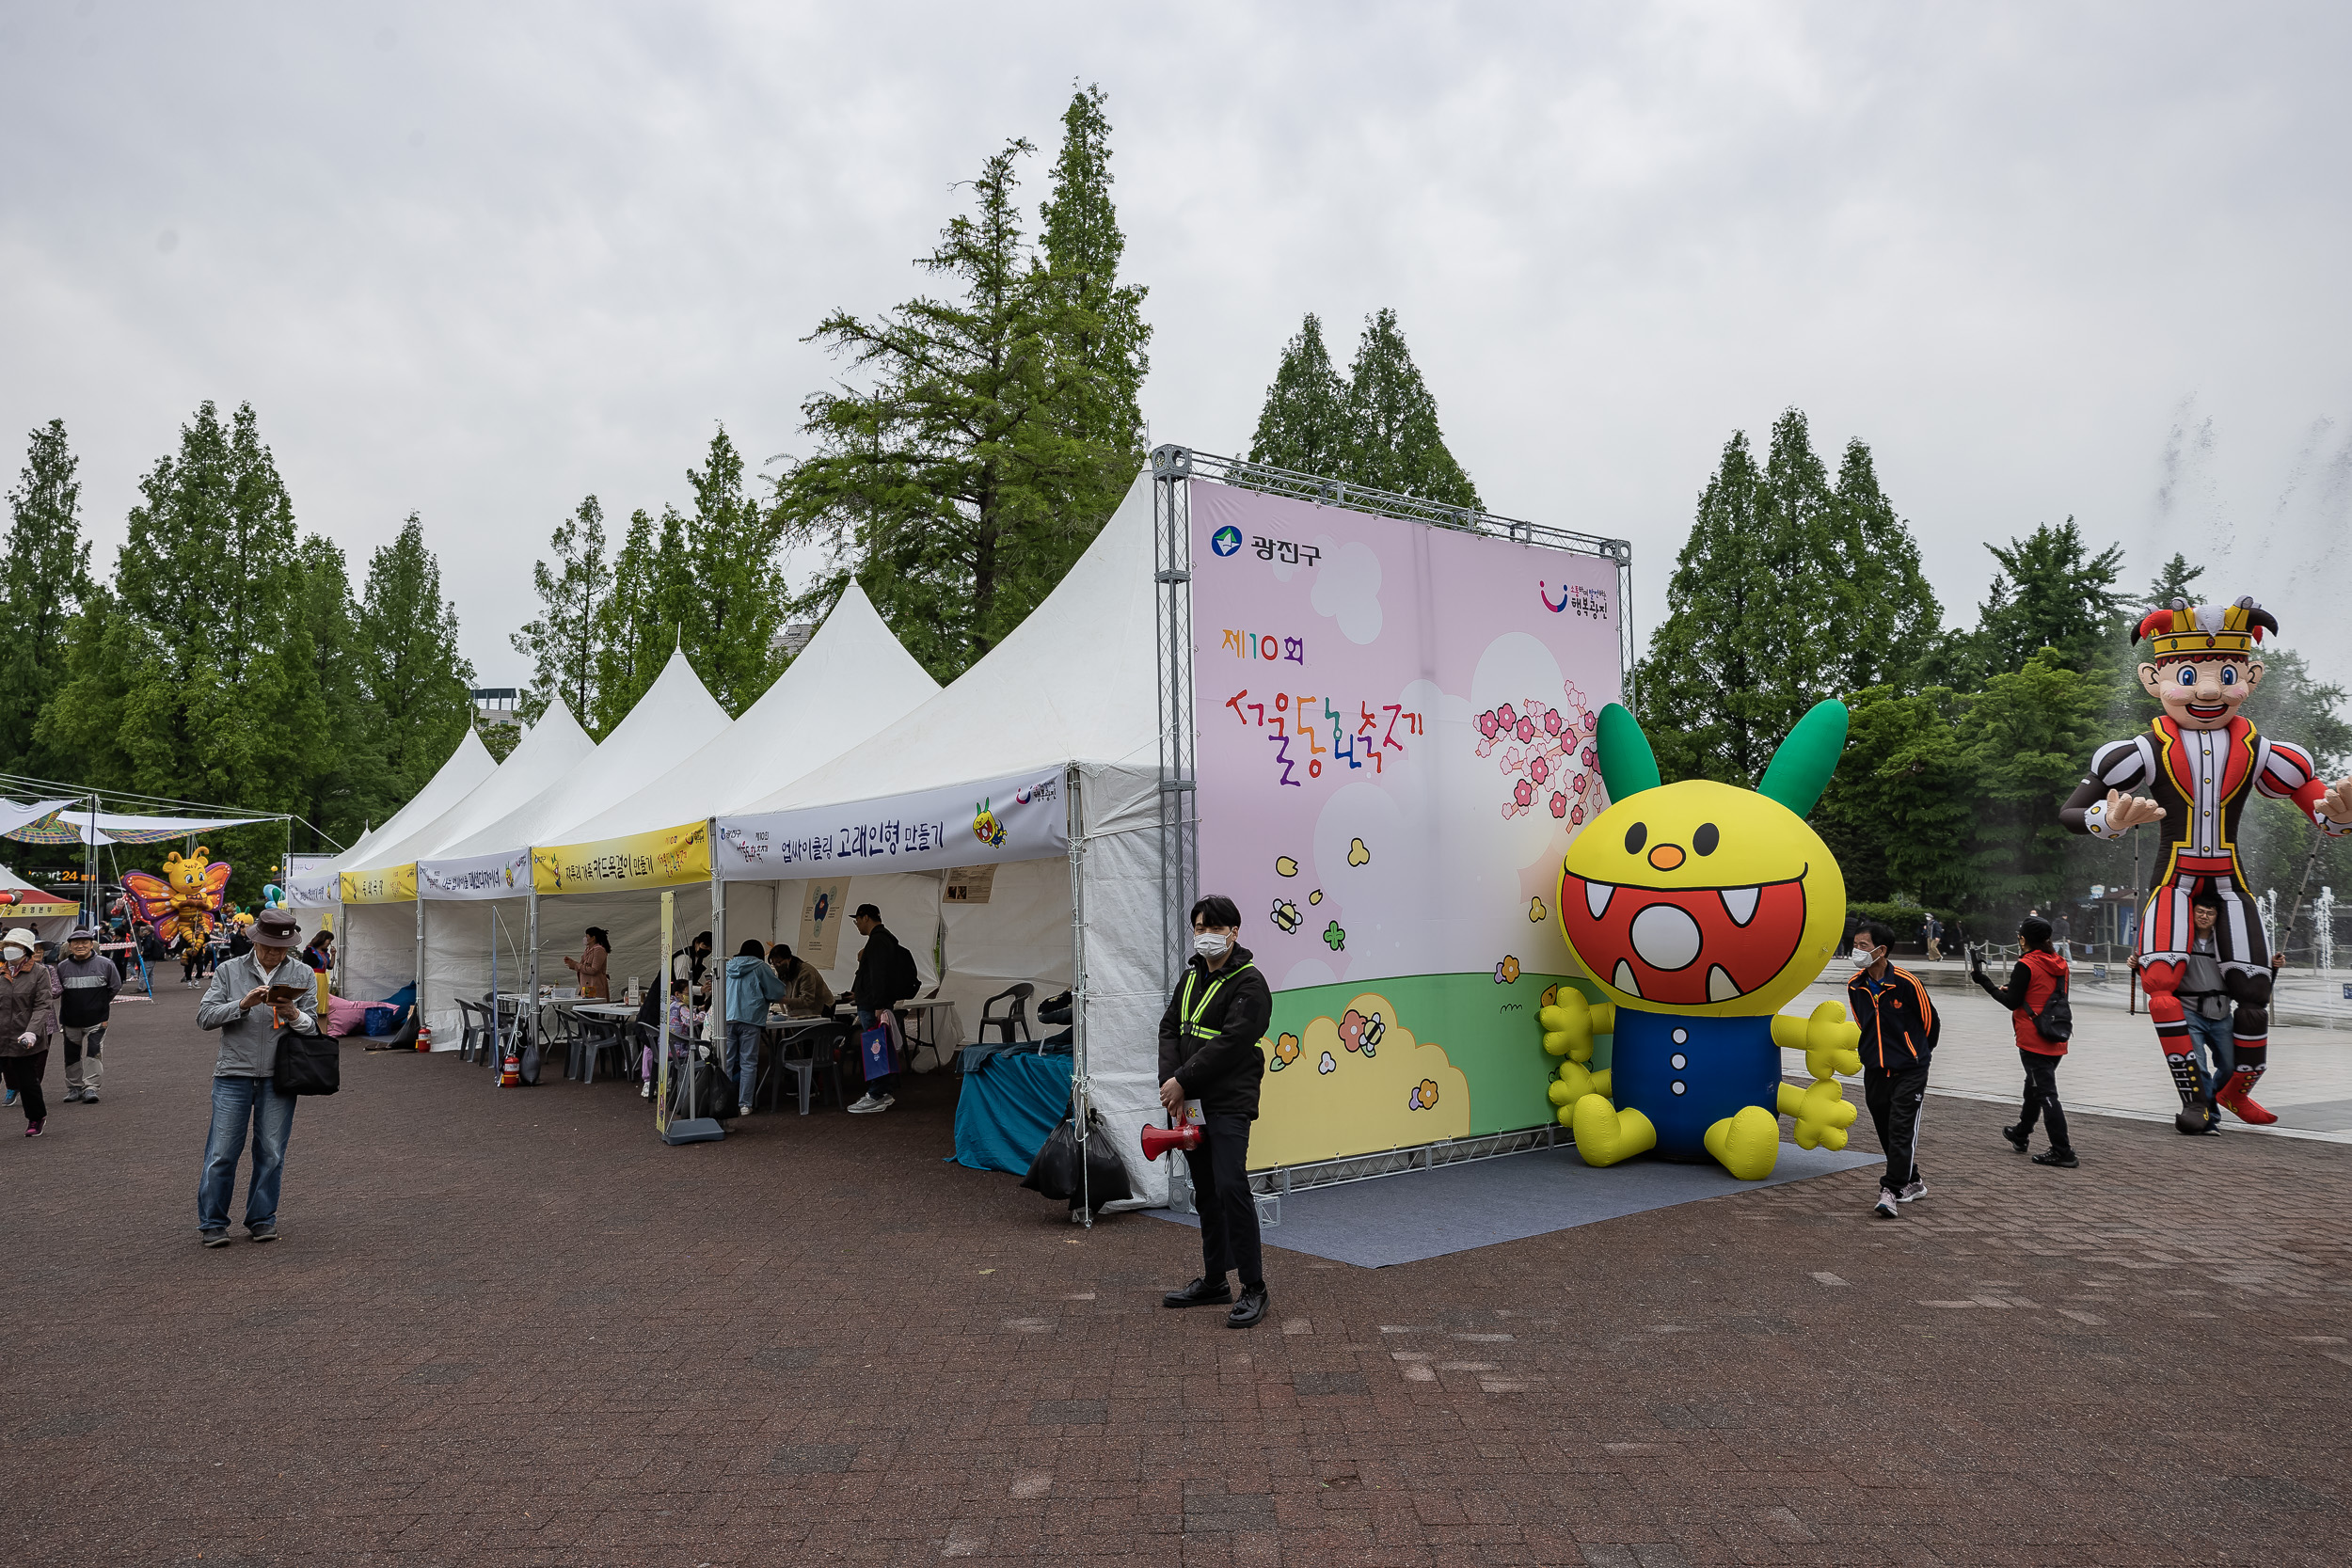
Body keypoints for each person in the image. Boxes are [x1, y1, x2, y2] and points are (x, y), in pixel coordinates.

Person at [2061, 596, 2352, 1128]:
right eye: (2189, 674)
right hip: (2173, 877)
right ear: (2154, 679)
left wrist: (2339, 816)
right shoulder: (2142, 749)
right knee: (2161, 985)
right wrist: (2111, 819)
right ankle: (2194, 1094)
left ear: (2252, 675)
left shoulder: (2266, 751)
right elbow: (2072, 812)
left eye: (2227, 673)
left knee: (2255, 988)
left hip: (2228, 877)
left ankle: (2236, 1089)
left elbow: (2321, 812)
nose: (2210, 690)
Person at [1157, 895, 1275, 1329]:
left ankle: (1254, 1287)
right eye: (1199, 927)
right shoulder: (1189, 979)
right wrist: (1171, 1083)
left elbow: (1231, 1044)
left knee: (1230, 1186)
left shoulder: (1250, 983)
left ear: (1234, 931)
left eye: (1213, 927)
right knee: (1205, 1190)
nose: (1204, 935)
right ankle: (1214, 1281)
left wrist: (1182, 1079)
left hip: (1228, 1102)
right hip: (1191, 1102)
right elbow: (1169, 1028)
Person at [193, 907, 321, 1246]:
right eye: (266, 946)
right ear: (255, 940)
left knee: (272, 1152)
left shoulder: (303, 974)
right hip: (233, 1073)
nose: (272, 953)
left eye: (280, 948)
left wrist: (294, 1014)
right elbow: (204, 1017)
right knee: (221, 1152)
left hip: (281, 1075)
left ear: (290, 946)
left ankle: (262, 1218)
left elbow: (313, 1029)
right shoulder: (228, 970)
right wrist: (242, 1005)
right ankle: (213, 1223)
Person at [1972, 916, 2077, 1168]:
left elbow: (2011, 1002)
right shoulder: (2060, 963)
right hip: (2056, 1032)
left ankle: (2063, 1151)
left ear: (2023, 939)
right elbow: (2047, 993)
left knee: (2046, 1093)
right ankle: (2021, 1133)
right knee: (2034, 1086)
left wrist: (1984, 982)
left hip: (2033, 1037)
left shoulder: (2026, 964)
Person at [1850, 920, 1938, 1218]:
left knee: (1901, 1128)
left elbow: (1930, 1024)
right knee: (1885, 1127)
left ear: (1881, 950)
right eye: (1856, 945)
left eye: (1863, 946)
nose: (1856, 951)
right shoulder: (1855, 985)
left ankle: (1891, 1189)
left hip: (1910, 1068)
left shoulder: (1906, 983)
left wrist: (1914, 1053)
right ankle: (1913, 1180)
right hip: (1875, 1068)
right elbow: (1865, 1024)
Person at [846, 904, 917, 1115]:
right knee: (879, 1048)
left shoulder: (877, 941)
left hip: (873, 1006)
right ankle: (883, 1091)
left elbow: (878, 975)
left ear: (865, 917)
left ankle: (877, 1093)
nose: (857, 924)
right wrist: (859, 993)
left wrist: (878, 1004)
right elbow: (874, 975)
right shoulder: (885, 938)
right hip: (871, 1001)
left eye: (857, 919)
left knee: (875, 1050)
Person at [2176, 893, 2237, 1133]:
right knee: (2197, 1067)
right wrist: (2137, 964)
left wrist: (2272, 966)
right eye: (2200, 912)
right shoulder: (2180, 940)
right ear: (2192, 913)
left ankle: (2211, 1101)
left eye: (2210, 913)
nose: (2205, 916)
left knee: (2231, 1067)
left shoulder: (2226, 942)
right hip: (2190, 1012)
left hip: (2222, 1013)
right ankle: (2208, 1115)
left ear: (2217, 917)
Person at [0, 927, 57, 1136]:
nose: (9, 950)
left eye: (14, 946)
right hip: (0, 1036)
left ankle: (36, 1118)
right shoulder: (0, 971)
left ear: (25, 949)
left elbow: (43, 1005)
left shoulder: (40, 973)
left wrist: (32, 1031)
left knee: (27, 1082)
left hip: (24, 1038)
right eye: (6, 945)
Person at [56, 926, 120, 1106]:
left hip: (97, 1019)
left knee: (94, 1051)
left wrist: (100, 1003)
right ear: (70, 947)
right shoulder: (62, 967)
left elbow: (115, 987)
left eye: (85, 942)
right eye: (76, 943)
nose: (80, 946)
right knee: (71, 1054)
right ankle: (74, 1087)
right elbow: (58, 989)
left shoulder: (106, 965)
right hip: (70, 1019)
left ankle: (91, 1087)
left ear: (92, 945)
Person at [723, 937, 786, 1117]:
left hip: (727, 1018)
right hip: (750, 1019)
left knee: (726, 1061)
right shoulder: (760, 967)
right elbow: (776, 991)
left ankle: (726, 1101)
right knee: (748, 1063)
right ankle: (745, 1104)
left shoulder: (727, 966)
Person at [769, 942, 834, 1017]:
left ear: (789, 958)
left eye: (779, 962)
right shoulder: (783, 972)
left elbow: (807, 1000)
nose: (777, 966)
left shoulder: (806, 972)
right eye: (773, 964)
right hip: (802, 1011)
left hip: (822, 1009)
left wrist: (784, 1000)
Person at [565, 927, 612, 1000]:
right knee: (583, 1006)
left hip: (593, 986)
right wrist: (572, 963)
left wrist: (576, 965)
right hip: (586, 987)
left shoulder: (599, 950)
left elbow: (594, 970)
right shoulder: (588, 950)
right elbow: (583, 967)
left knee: (590, 1007)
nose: (585, 939)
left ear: (593, 938)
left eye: (586, 936)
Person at [671, 930, 713, 1006]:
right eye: (705, 946)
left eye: (710, 950)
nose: (707, 950)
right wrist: (701, 989)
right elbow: (682, 985)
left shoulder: (698, 959)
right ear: (697, 943)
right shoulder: (685, 958)